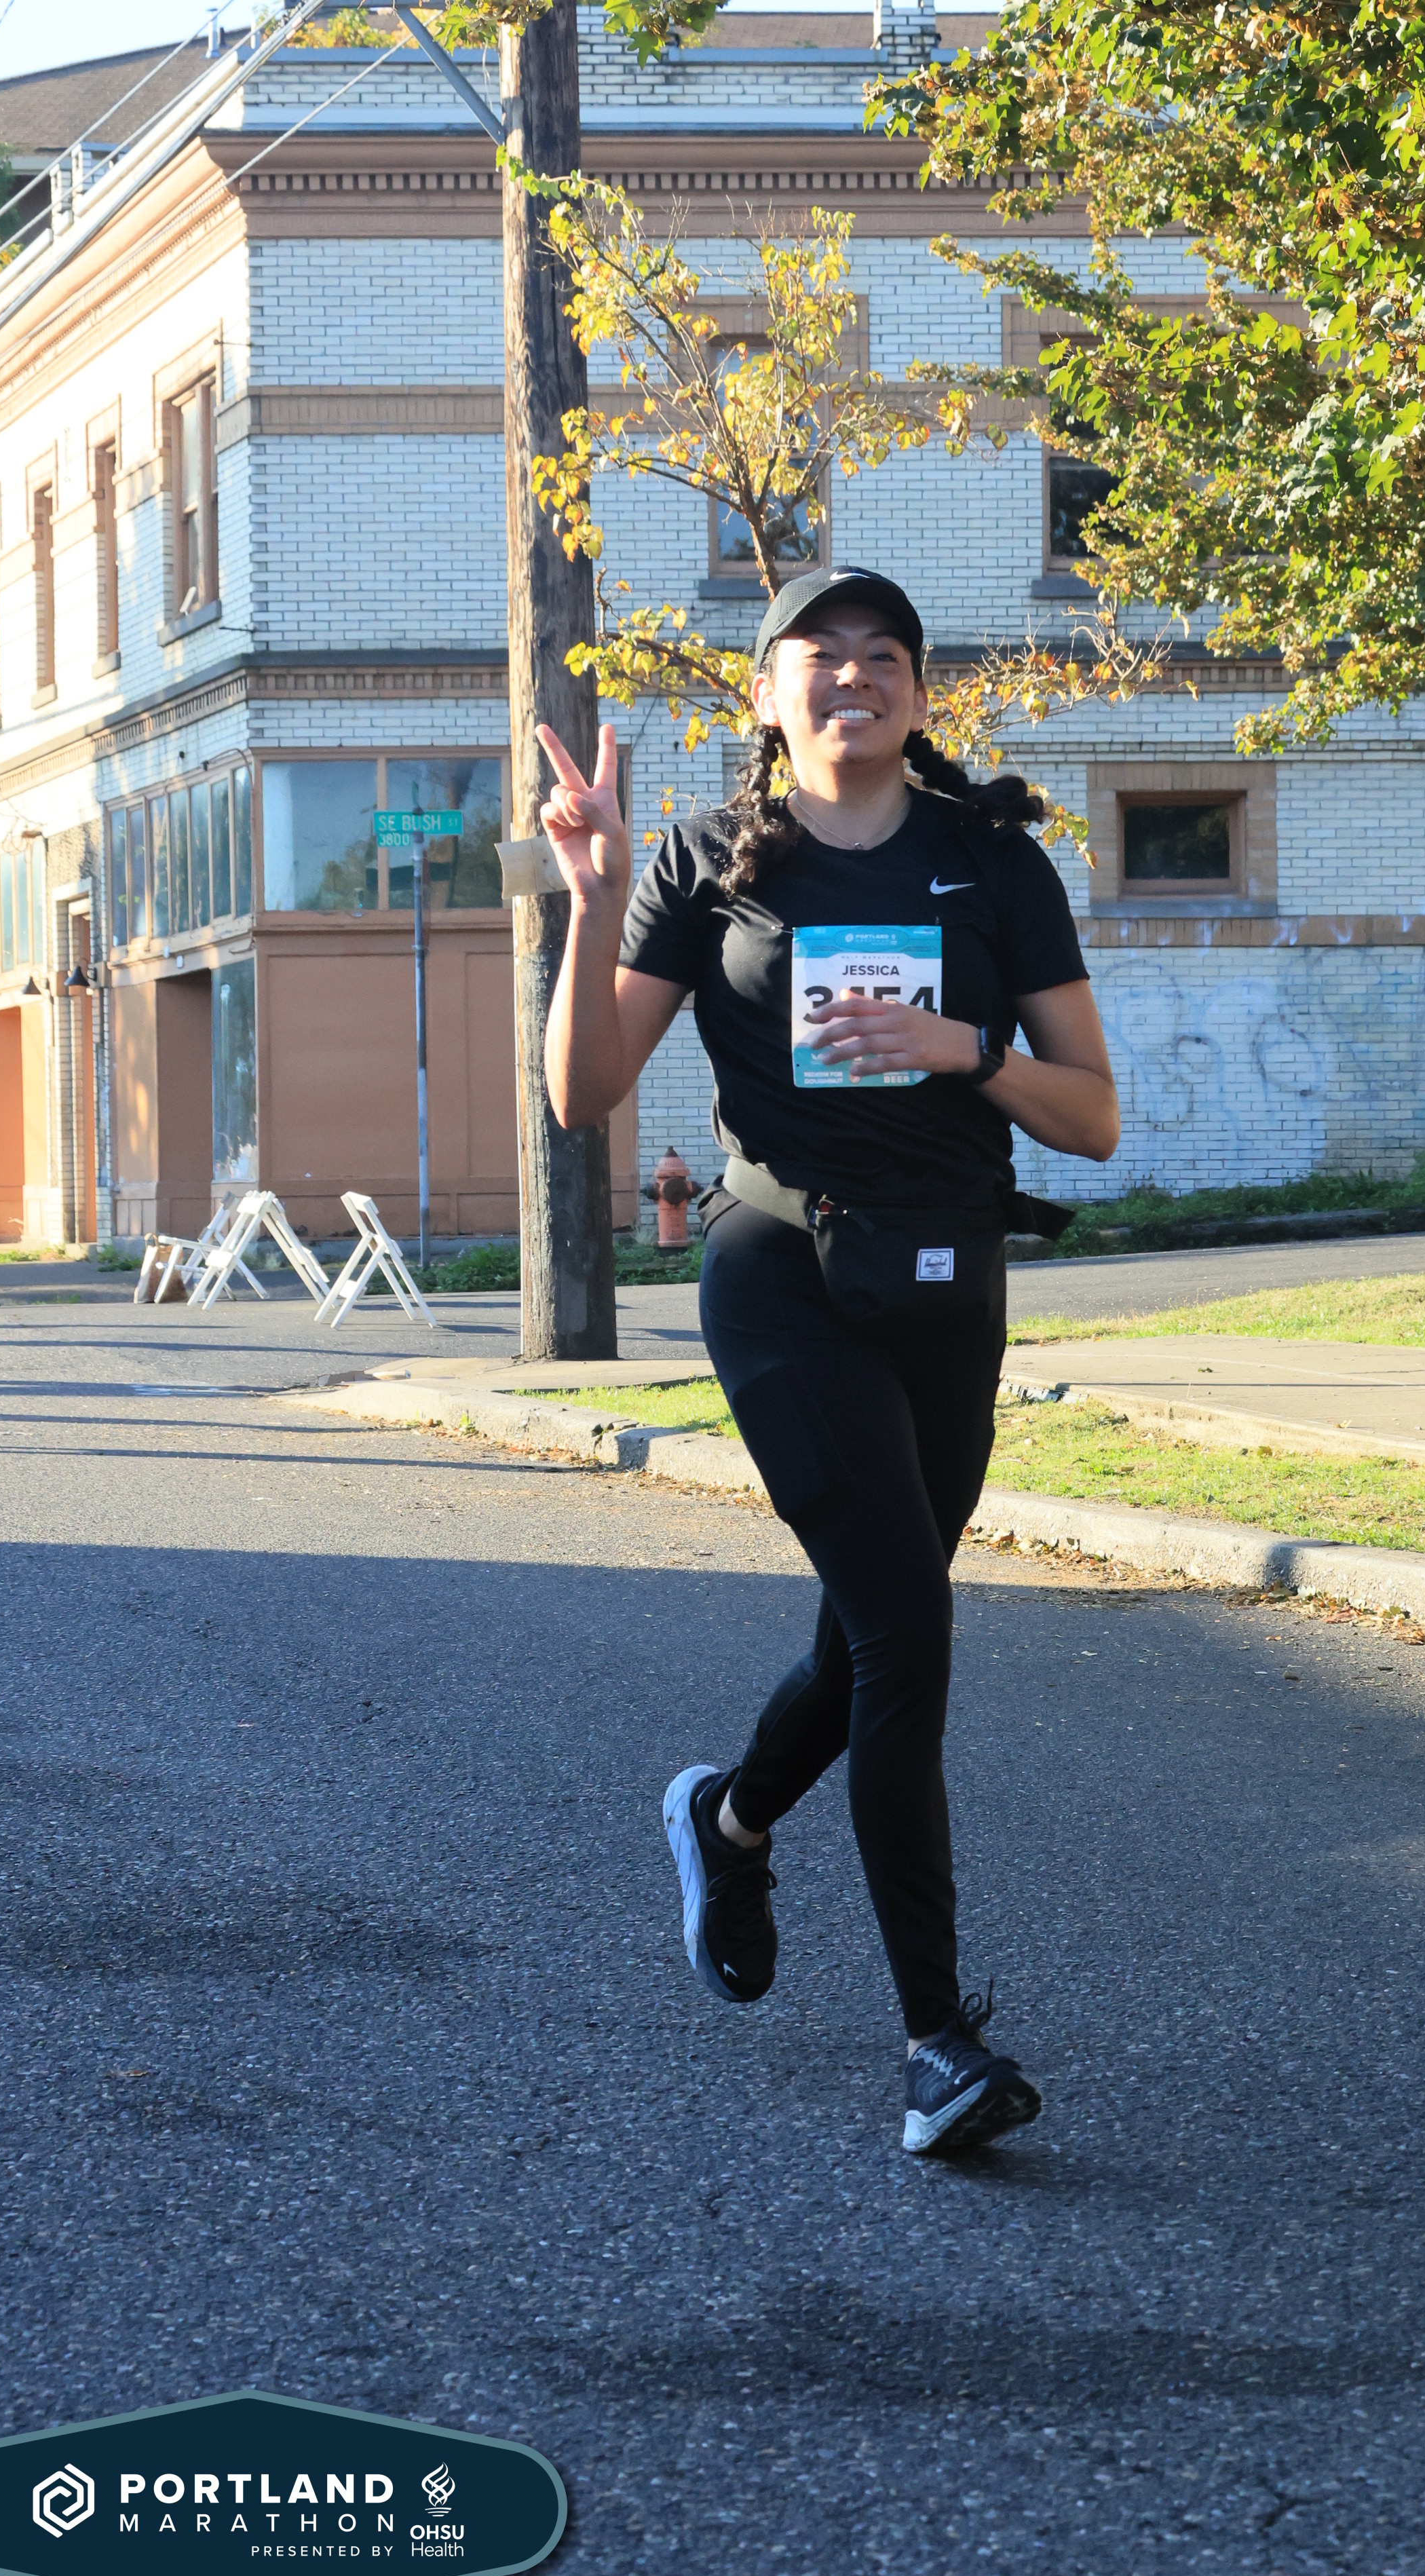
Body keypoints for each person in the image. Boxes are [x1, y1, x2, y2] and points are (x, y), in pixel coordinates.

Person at [539, 563, 1121, 2155]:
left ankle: (727, 1821)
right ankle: (938, 2045)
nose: (852, 676)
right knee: (907, 1630)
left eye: (883, 656)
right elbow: (582, 1093)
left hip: (948, 1277)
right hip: (780, 1271)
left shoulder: (990, 863)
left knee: (870, 1633)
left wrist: (964, 1050)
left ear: (919, 696)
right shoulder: (699, 862)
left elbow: (1093, 1114)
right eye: (819, 653)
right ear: (765, 693)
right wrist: (589, 899)